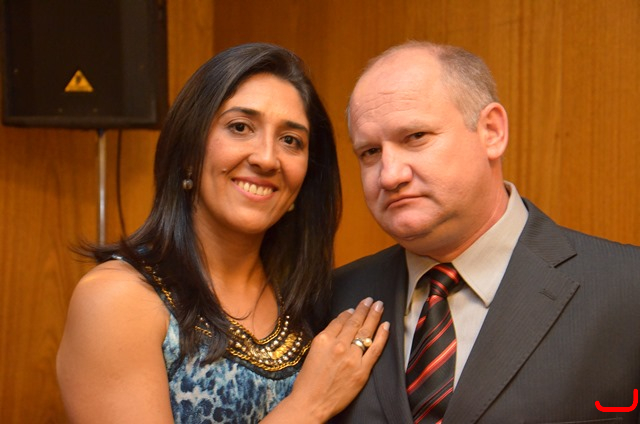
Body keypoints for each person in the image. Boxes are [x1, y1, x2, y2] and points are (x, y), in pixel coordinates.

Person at [57, 42, 389, 424]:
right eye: (240, 127)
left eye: (290, 140)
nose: (266, 158)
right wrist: (309, 407)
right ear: (189, 150)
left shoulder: (312, 301)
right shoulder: (119, 299)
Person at [330, 40, 640, 423]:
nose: (390, 175)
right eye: (370, 153)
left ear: (491, 131)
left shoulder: (629, 289)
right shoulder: (332, 300)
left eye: (416, 137)